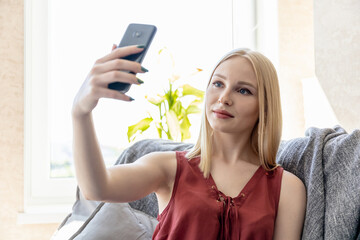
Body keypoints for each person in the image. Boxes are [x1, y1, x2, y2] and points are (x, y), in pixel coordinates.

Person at [72, 45, 306, 239]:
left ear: (264, 106)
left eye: (243, 91)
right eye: (218, 84)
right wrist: (81, 112)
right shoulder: (168, 167)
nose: (224, 98)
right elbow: (96, 188)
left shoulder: (287, 188)